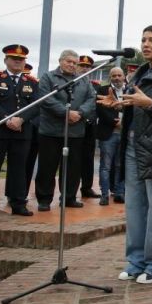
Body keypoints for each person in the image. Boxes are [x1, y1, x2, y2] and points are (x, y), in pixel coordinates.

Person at [98, 24, 152, 284]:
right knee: (134, 207)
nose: (146, 44)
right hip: (134, 146)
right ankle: (136, 262)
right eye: (143, 40)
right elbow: (135, 106)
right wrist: (120, 105)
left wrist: (151, 104)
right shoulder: (138, 75)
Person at [0, 44, 39, 220]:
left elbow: (36, 104)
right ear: (6, 60)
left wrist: (21, 119)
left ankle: (18, 203)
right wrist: (7, 119)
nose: (18, 62)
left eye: (21, 59)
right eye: (14, 59)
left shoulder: (32, 82)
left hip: (21, 131)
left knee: (19, 169)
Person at [35, 50, 96, 211]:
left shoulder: (83, 80)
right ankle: (44, 199)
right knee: (47, 167)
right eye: (68, 61)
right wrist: (66, 112)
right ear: (60, 61)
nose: (72, 65)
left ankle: (69, 197)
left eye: (75, 63)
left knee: (73, 167)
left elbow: (91, 99)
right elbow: (46, 99)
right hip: (51, 131)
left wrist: (80, 113)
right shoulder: (48, 77)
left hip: (75, 131)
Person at [95, 66, 127, 205]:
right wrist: (116, 123)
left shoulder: (130, 90)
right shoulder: (102, 90)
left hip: (125, 134)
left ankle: (119, 193)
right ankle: (104, 194)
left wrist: (124, 122)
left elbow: (134, 109)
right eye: (114, 75)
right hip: (109, 133)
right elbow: (101, 110)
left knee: (121, 165)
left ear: (124, 76)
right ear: (110, 77)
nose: (117, 78)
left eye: (119, 75)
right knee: (105, 166)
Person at [75, 55, 102, 199]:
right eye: (82, 66)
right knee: (72, 158)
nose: (84, 69)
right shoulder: (71, 83)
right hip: (74, 124)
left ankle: (86, 187)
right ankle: (70, 189)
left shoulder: (96, 85)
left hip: (90, 126)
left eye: (87, 67)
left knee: (88, 158)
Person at [21, 63, 41, 197]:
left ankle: (22, 194)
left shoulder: (35, 84)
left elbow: (38, 105)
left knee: (28, 164)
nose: (24, 78)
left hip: (33, 129)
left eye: (26, 75)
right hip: (13, 128)